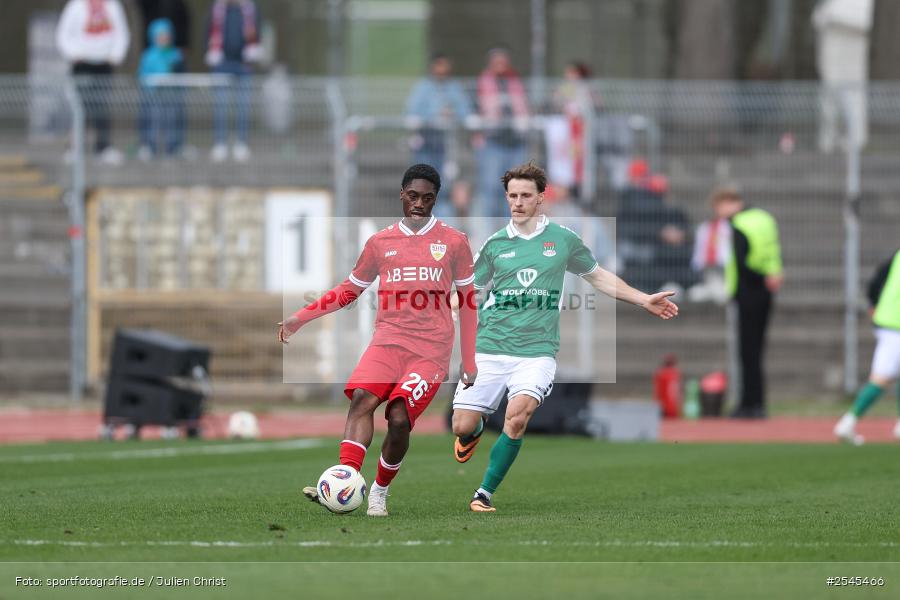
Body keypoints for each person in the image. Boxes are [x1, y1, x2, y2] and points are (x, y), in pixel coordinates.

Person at [449, 162, 678, 512]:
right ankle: (475, 427)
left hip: (537, 351)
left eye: (526, 195)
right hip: (490, 347)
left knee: (518, 415)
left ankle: (484, 493)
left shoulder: (563, 240)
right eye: (512, 196)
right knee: (460, 425)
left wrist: (643, 298)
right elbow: (468, 292)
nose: (518, 202)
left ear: (541, 198)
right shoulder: (494, 246)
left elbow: (599, 277)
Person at [279, 165, 478, 517]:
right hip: (388, 341)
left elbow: (467, 302)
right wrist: (301, 317)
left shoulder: (454, 242)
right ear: (402, 194)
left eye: (427, 198)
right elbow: (350, 290)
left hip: (431, 351)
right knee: (361, 400)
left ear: (436, 199)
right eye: (413, 196)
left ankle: (380, 493)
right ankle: (346, 478)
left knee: (399, 418)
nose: (419, 204)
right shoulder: (380, 243)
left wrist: (470, 360)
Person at [710, 186, 783, 419]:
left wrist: (760, 278)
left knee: (747, 352)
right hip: (767, 290)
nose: (719, 213)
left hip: (748, 291)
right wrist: (772, 275)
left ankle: (748, 404)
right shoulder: (764, 218)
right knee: (757, 350)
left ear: (729, 202)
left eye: (719, 207)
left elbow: (742, 263)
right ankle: (757, 401)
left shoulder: (739, 224)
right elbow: (772, 250)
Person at [834, 249, 900, 444]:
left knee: (887, 376)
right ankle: (847, 423)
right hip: (896, 324)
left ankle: (848, 423)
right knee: (881, 378)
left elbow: (876, 280)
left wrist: (873, 304)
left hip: (887, 321)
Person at [56, 0, 130, 165]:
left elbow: (122, 33)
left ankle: (103, 147)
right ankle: (74, 148)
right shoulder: (75, 6)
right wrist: (74, 54)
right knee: (79, 106)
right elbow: (63, 34)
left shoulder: (112, 6)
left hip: (105, 64)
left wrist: (116, 55)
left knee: (102, 107)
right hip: (82, 64)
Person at [205, 0, 263, 163]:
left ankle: (241, 143)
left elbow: (257, 33)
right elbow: (207, 32)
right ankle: (220, 143)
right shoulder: (216, 9)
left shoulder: (251, 9)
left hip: (244, 64)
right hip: (221, 63)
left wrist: (253, 55)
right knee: (220, 107)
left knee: (243, 107)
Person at [476, 47, 530, 218]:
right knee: (491, 187)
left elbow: (522, 106)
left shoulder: (514, 80)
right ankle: (490, 231)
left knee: (515, 188)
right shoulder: (484, 81)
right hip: (493, 142)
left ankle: (513, 230)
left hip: (514, 142)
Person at [405, 53, 472, 180]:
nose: (442, 69)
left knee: (445, 181)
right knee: (424, 179)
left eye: (445, 66)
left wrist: (453, 114)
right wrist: (434, 115)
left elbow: (465, 110)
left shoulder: (454, 88)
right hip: (426, 142)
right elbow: (412, 111)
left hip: (447, 145)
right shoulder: (423, 87)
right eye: (439, 65)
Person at [137, 19, 185, 160]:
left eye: (166, 35)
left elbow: (181, 73)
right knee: (153, 121)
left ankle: (172, 148)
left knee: (172, 120)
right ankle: (150, 147)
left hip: (171, 94)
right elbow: (143, 75)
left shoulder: (176, 55)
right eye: (160, 36)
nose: (164, 39)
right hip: (154, 95)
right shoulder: (149, 56)